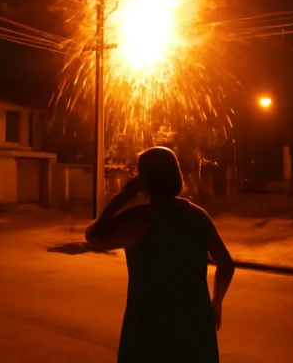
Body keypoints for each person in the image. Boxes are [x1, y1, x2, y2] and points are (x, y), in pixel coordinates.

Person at [86, 146, 235, 363]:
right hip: (195, 328)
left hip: (150, 330)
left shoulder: (139, 219)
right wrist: (216, 303)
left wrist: (124, 196)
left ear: (144, 179)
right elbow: (226, 265)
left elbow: (93, 235)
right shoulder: (198, 216)